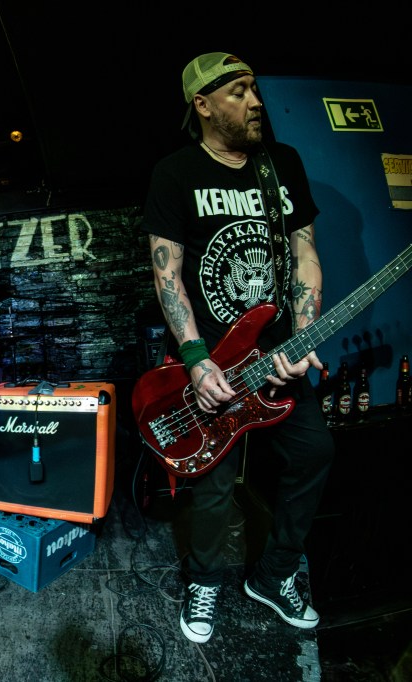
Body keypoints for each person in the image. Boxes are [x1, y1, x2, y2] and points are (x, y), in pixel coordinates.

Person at [140, 52, 334, 643]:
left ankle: (275, 575)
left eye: (255, 88)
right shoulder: (175, 173)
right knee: (213, 483)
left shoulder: (283, 165)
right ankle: (204, 581)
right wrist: (197, 362)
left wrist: (302, 336)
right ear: (202, 105)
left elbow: (304, 254)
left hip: (278, 354)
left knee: (313, 454)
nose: (256, 101)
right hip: (213, 362)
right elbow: (167, 274)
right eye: (239, 91)